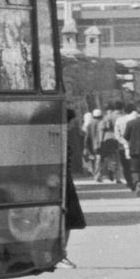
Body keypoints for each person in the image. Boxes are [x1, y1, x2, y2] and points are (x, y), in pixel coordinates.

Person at [61, 109, 88, 268]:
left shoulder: (60, 136)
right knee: (67, 220)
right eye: (70, 123)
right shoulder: (58, 137)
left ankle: (61, 254)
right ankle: (60, 255)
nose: (71, 126)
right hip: (63, 184)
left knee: (68, 220)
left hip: (65, 182)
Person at [82, 107, 104, 176]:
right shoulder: (102, 122)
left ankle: (95, 172)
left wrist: (85, 145)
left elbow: (87, 136)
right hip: (101, 143)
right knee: (99, 158)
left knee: (93, 158)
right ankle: (98, 173)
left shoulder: (89, 124)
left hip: (91, 144)